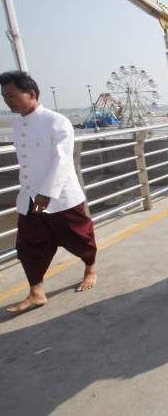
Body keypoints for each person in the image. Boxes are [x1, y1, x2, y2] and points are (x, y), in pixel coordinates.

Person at [1, 71, 97, 314]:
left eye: (11, 95)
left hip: (61, 197)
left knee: (79, 238)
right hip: (30, 197)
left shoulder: (57, 122)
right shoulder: (17, 124)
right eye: (4, 96)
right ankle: (36, 292)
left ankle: (90, 268)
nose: (7, 101)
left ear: (31, 93)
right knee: (28, 246)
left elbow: (62, 161)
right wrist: (34, 194)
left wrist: (47, 193)